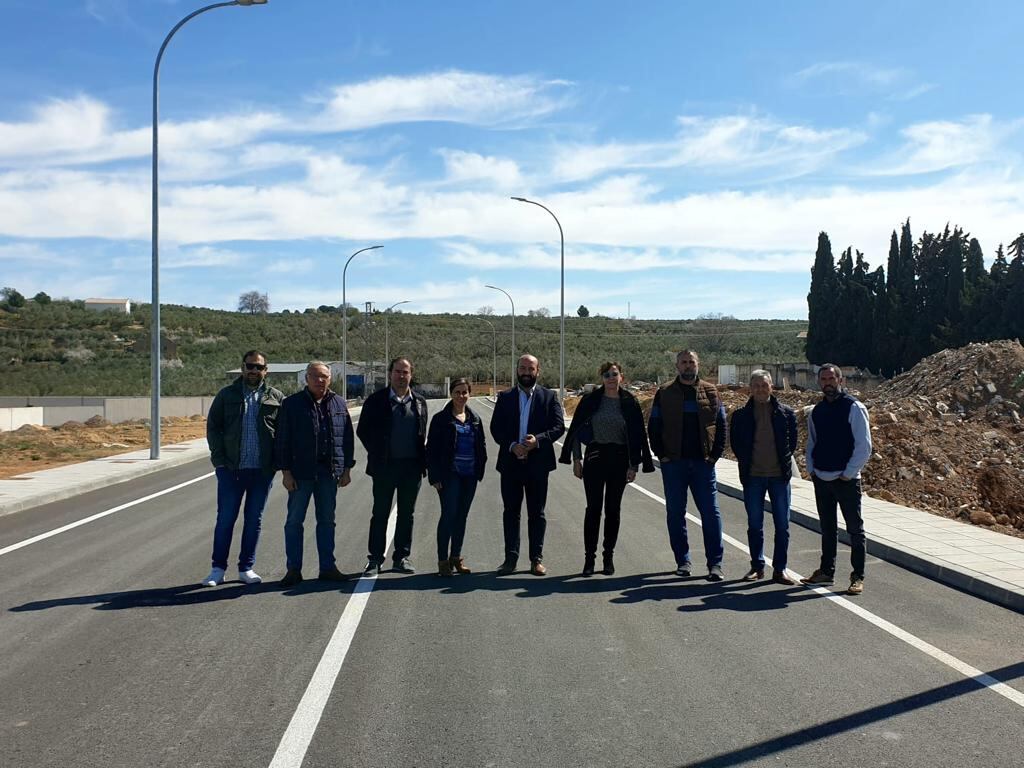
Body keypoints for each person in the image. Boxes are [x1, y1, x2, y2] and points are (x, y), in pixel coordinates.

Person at [559, 361, 654, 576]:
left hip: (619, 460)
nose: (611, 378)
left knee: (613, 510)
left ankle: (608, 557)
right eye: (606, 375)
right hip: (595, 458)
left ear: (622, 377)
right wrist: (576, 459)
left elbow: (637, 436)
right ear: (601, 378)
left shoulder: (629, 402)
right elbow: (575, 430)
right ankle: (589, 559)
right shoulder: (591, 400)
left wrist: (634, 465)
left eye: (614, 374)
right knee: (593, 509)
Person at [202, 350, 284, 586]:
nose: (253, 371)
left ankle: (246, 568)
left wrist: (276, 463)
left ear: (265, 371)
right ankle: (217, 569)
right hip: (231, 471)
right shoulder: (226, 395)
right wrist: (219, 461)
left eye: (259, 367)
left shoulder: (276, 397)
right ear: (242, 368)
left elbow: (283, 434)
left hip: (261, 472)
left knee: (253, 520)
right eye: (250, 366)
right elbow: (213, 428)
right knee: (226, 519)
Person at [647, 349, 727, 581]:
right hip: (674, 464)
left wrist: (715, 456)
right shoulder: (664, 393)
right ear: (677, 366)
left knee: (711, 514)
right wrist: (661, 454)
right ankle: (683, 561)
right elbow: (654, 426)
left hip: (703, 464)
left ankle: (715, 564)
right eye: (684, 362)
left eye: (691, 362)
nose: (688, 366)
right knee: (675, 514)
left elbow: (721, 425)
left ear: (698, 364)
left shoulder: (711, 392)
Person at [274, 361, 354, 587]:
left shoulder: (338, 403)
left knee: (327, 521)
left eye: (325, 377)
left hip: (328, 474)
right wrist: (286, 473)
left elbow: (346, 438)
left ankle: (327, 567)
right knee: (294, 521)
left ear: (330, 379)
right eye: (316, 376)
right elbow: (282, 440)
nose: (321, 380)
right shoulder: (291, 404)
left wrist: (346, 469)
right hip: (300, 474)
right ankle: (293, 569)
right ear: (306, 378)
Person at [490, 354, 565, 576]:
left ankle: (536, 560)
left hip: (538, 465)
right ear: (517, 370)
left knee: (537, 513)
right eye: (522, 368)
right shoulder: (505, 397)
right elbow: (496, 428)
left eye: (530, 369)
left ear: (537, 371)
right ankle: (510, 559)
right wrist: (512, 445)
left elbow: (558, 427)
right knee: (510, 512)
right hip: (511, 464)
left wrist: (537, 441)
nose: (525, 372)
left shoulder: (549, 397)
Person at [801, 363, 872, 595]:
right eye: (823, 379)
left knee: (855, 530)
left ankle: (857, 576)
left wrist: (848, 473)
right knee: (828, 528)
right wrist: (812, 469)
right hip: (822, 478)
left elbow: (864, 446)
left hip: (846, 480)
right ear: (819, 382)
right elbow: (812, 442)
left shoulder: (854, 408)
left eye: (832, 378)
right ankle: (826, 572)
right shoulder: (816, 411)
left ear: (840, 381)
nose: (828, 383)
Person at [357, 356, 428, 575]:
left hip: (411, 469)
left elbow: (422, 433)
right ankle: (375, 559)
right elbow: (363, 431)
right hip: (384, 468)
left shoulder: (419, 402)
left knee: (407, 514)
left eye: (405, 372)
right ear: (390, 374)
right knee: (380, 513)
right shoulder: (376, 400)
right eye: (397, 371)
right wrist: (379, 452)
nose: (401, 376)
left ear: (411, 375)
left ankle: (402, 557)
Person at [728, 370, 799, 585]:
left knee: (782, 526)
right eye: (756, 385)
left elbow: (791, 444)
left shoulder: (786, 413)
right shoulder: (741, 415)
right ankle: (757, 566)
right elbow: (737, 445)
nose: (760, 389)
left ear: (772, 386)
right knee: (755, 524)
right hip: (753, 477)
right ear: (750, 388)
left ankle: (780, 569)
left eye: (764, 385)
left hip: (779, 477)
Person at [426, 378, 487, 576]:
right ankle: (443, 561)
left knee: (462, 517)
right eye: (457, 392)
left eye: (465, 392)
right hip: (449, 475)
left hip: (469, 475)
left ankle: (456, 557)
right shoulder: (440, 419)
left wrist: (480, 470)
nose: (461, 396)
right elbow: (431, 450)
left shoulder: (475, 418)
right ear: (451, 393)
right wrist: (434, 476)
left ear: (469, 394)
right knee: (448, 516)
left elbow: (481, 446)